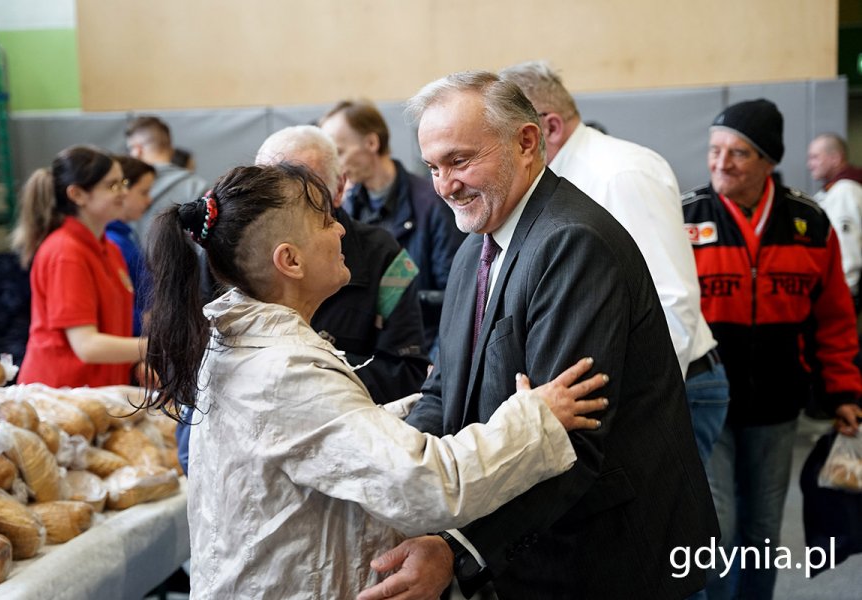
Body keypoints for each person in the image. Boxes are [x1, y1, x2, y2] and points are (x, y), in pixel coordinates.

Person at [140, 162, 609, 598]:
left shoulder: (246, 346)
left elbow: (325, 437)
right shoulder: (282, 370)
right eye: (325, 221)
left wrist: (436, 404)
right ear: (290, 260)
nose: (341, 228)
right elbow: (425, 485)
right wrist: (534, 422)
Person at [360, 71, 718, 600]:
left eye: (459, 161)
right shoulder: (473, 247)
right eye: (433, 167)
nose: (444, 185)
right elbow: (445, 389)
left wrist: (456, 549)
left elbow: (569, 441)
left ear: (527, 142)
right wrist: (409, 479)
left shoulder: (573, 242)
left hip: (602, 562)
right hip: (529, 556)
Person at [500, 59, 728, 468]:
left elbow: (672, 300)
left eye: (510, 138)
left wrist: (638, 407)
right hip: (634, 386)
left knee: (684, 529)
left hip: (674, 387)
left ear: (548, 129)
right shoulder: (569, 179)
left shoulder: (620, 173)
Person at [682, 98, 862, 599]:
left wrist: (844, 390)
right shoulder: (684, 218)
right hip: (705, 402)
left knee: (761, 529)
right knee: (717, 523)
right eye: (715, 150)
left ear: (769, 161)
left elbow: (834, 319)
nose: (721, 163)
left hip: (778, 405)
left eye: (738, 153)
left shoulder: (810, 223)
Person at [255, 125, 429, 403]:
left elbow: (407, 371)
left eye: (302, 194)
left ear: (338, 189)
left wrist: (308, 377)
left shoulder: (387, 256)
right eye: (268, 191)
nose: (282, 207)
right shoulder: (235, 250)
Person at [320, 100, 466, 355]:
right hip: (369, 349)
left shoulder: (431, 203)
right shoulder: (347, 206)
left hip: (423, 347)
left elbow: (456, 297)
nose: (336, 166)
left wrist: (397, 299)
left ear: (372, 143)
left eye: (339, 152)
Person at [10, 145, 146, 387]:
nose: (123, 192)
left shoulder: (109, 249)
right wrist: (156, 348)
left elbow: (111, 331)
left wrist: (137, 365)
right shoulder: (66, 252)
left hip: (97, 391)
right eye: (111, 185)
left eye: (123, 183)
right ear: (77, 195)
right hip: (60, 395)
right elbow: (87, 346)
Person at [124, 115, 208, 244]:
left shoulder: (126, 188)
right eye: (143, 193)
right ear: (169, 146)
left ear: (137, 150)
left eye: (130, 149)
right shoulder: (198, 186)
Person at [806, 133, 862, 306]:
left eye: (815, 157)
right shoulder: (833, 190)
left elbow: (848, 247)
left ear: (835, 158)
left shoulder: (844, 191)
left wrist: (844, 293)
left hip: (842, 293)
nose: (809, 165)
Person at [105, 155, 155, 336]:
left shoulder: (125, 237)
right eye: (144, 192)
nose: (149, 200)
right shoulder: (113, 243)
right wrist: (146, 323)